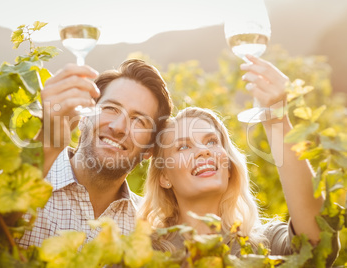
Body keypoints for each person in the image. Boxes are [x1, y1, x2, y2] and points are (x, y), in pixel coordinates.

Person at [138, 55, 339, 263]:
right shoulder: (145, 252)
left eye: (211, 142)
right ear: (164, 177)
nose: (203, 151)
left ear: (229, 166)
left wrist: (277, 120)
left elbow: (317, 246)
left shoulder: (264, 243)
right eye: (184, 146)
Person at [17, 59, 173, 248]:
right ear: (83, 118)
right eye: (110, 109)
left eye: (139, 120)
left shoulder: (149, 232)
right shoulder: (21, 181)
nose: (118, 127)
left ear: (149, 149)